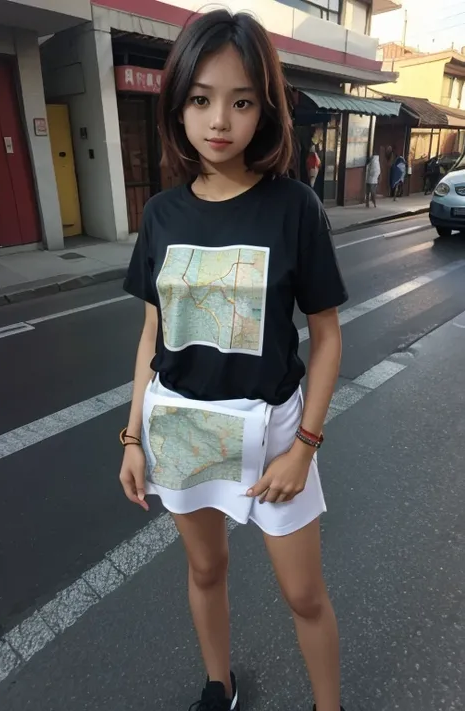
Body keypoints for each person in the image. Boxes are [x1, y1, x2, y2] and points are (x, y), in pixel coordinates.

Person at [120, 10, 348, 711]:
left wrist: (304, 447)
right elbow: (151, 336)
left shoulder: (294, 208)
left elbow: (327, 335)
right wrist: (133, 436)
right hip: (182, 428)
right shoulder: (160, 215)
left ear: (265, 111)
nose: (220, 119)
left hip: (274, 430)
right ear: (179, 106)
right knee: (205, 566)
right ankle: (219, 684)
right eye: (201, 98)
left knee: (304, 593)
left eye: (242, 100)